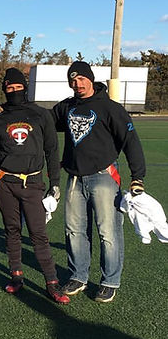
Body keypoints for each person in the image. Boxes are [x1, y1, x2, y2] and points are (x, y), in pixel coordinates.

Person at [0, 67, 68, 304]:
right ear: (4, 90)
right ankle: (16, 275)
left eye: (18, 87)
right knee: (12, 230)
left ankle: (52, 282)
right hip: (6, 182)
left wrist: (55, 183)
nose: (14, 91)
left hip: (33, 182)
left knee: (38, 234)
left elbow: (52, 150)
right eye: (10, 88)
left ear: (25, 88)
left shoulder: (41, 115)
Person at [52, 61, 146, 303]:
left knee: (108, 232)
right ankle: (78, 276)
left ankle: (109, 281)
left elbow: (130, 141)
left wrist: (137, 176)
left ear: (91, 79)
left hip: (104, 176)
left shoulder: (110, 108)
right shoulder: (67, 107)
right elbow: (44, 122)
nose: (77, 84)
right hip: (75, 177)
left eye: (82, 79)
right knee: (74, 231)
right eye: (73, 80)